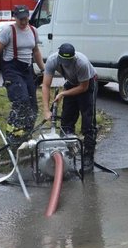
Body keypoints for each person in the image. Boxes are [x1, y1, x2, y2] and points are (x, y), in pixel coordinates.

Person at [0, 5, 45, 144]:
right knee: (21, 101)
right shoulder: (8, 31)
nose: (24, 22)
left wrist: (44, 69)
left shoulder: (33, 30)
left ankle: (26, 134)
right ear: (15, 18)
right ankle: (12, 135)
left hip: (27, 70)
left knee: (32, 105)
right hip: (12, 70)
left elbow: (36, 51)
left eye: (26, 18)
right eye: (21, 20)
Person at [41, 43, 98, 173]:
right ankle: (67, 157)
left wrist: (63, 93)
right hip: (72, 83)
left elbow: (83, 87)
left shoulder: (81, 63)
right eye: (64, 62)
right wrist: (46, 110)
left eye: (69, 61)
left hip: (88, 84)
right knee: (66, 120)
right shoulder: (52, 60)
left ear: (73, 58)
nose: (66, 64)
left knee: (88, 121)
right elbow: (45, 85)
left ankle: (88, 157)